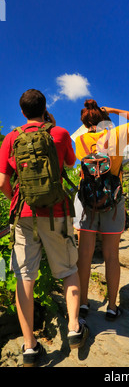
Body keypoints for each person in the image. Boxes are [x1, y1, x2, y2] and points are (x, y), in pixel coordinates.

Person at [0, 89, 88, 367]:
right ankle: (74, 327)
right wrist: (52, 125)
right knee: (68, 270)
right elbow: (71, 163)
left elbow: (2, 181)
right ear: (45, 108)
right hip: (57, 213)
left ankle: (29, 346)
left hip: (24, 215)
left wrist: (15, 199)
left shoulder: (11, 139)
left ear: (22, 111)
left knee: (25, 276)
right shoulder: (59, 133)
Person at [73, 99, 129, 321]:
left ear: (85, 122)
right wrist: (114, 109)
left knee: (84, 255)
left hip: (87, 203)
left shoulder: (81, 140)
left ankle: (83, 304)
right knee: (112, 256)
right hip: (112, 202)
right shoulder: (117, 135)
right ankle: (112, 307)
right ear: (104, 119)